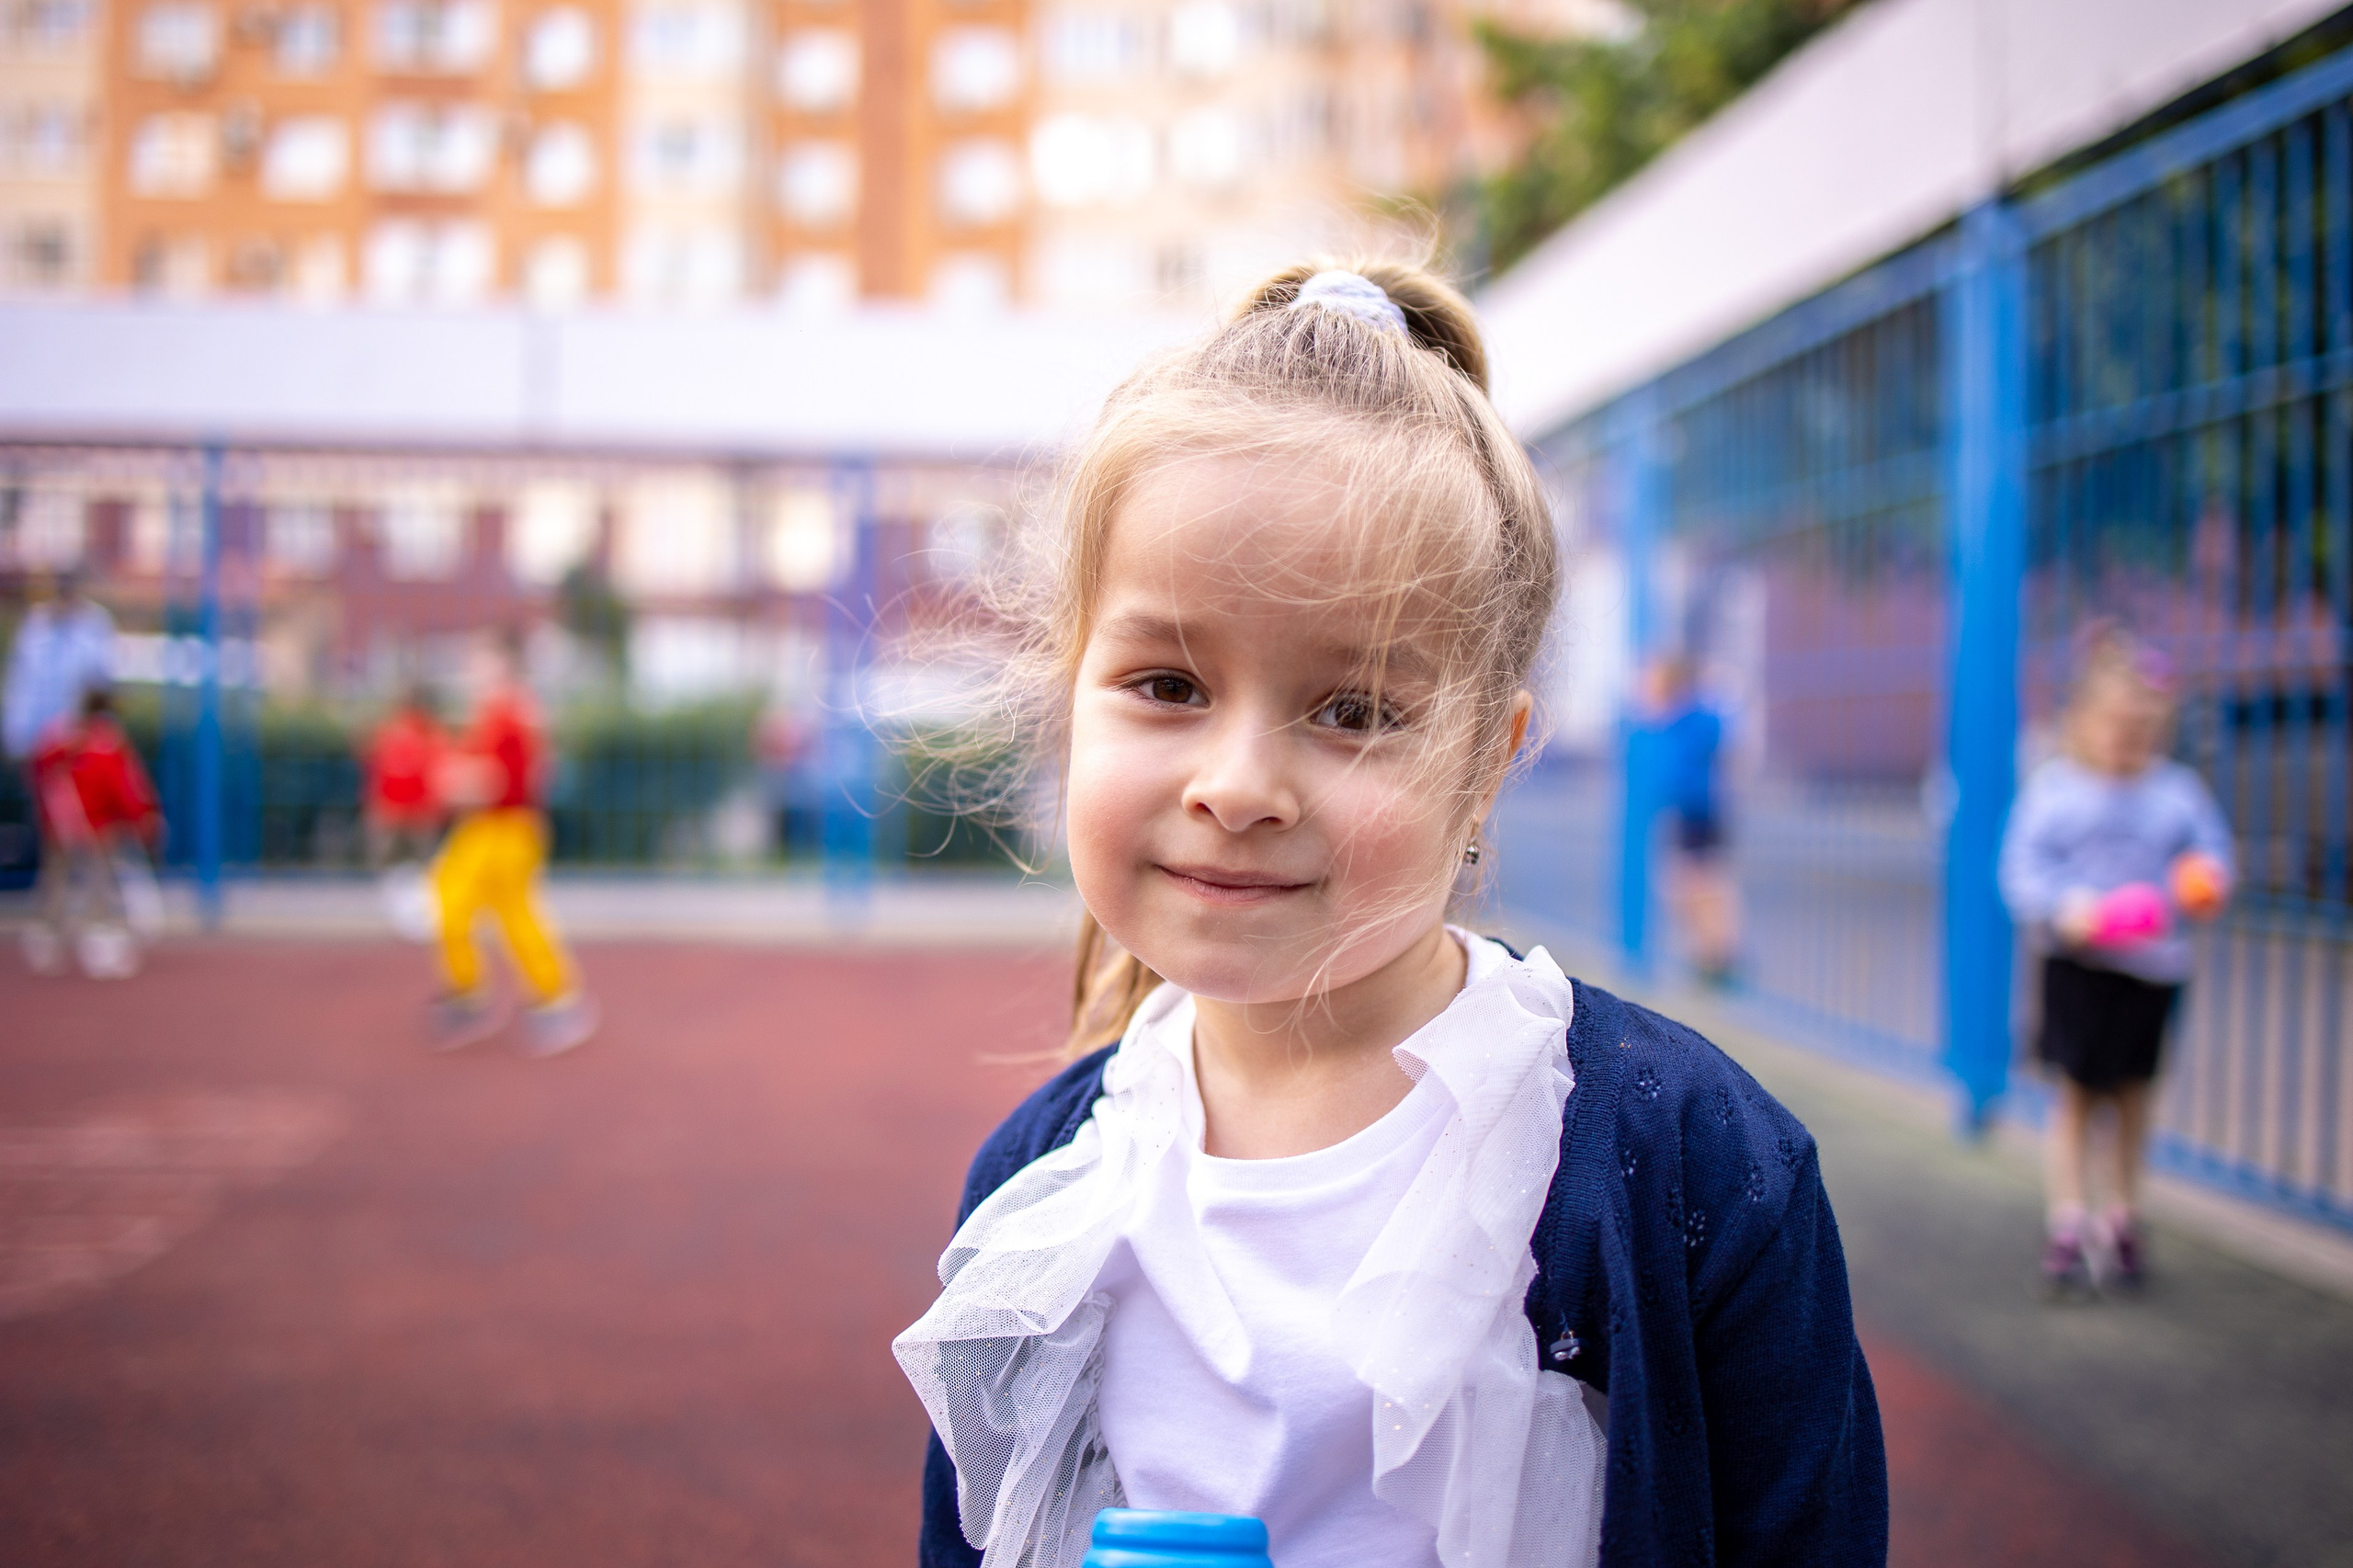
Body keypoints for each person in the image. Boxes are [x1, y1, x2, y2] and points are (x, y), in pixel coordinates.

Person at [893, 262, 1886, 1568]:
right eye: (1166, 681)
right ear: (1069, 693)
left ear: (1490, 756)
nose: (1238, 785)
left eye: (1354, 709)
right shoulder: (1041, 1185)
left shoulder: (1697, 1168)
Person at [1999, 627, 2233, 1297]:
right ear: (2082, 721)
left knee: (2133, 1097)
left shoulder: (2177, 793)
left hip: (2152, 970)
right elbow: (2019, 870)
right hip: (2078, 967)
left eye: (2140, 730)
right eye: (2113, 727)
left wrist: (2207, 878)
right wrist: (2063, 907)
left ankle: (2122, 1218)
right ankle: (2068, 1223)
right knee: (2074, 1096)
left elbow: (2211, 854)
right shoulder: (2056, 791)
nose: (2125, 742)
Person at [427, 628, 597, 1056]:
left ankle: (531, 998)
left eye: (478, 661)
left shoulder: (507, 715)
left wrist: (450, 779)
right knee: (495, 910)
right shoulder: (501, 713)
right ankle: (533, 997)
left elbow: (494, 780)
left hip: (503, 826)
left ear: (502, 666)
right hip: (495, 826)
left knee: (487, 908)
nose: (469, 670)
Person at [25, 686, 162, 977]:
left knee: (60, 880)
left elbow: (40, 771)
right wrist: (141, 817)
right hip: (94, 826)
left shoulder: (64, 737)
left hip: (66, 824)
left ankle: (50, 939)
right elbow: (124, 786)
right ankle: (95, 943)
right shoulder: (105, 743)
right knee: (96, 883)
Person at [1643, 652, 1739, 983]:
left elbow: (1718, 736)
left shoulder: (1693, 717)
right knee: (1689, 885)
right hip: (1687, 811)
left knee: (1702, 884)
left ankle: (1718, 956)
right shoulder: (1677, 719)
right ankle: (1710, 953)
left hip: (1701, 812)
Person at [360, 684, 446, 940]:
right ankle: (410, 914)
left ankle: (411, 913)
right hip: (409, 810)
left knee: (406, 864)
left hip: (405, 809)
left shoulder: (399, 730)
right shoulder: (421, 731)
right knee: (416, 865)